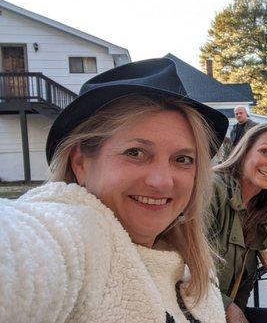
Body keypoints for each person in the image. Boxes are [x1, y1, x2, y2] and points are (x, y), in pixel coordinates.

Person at [0, 58, 229, 322]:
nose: (163, 181)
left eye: (183, 159)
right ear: (81, 164)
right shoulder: (79, 237)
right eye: (136, 153)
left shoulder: (189, 261)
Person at [209, 123, 267, 323]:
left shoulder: (258, 211)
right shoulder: (213, 190)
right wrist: (231, 310)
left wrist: (237, 309)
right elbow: (183, 268)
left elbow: (243, 283)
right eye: (265, 152)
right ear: (245, 151)